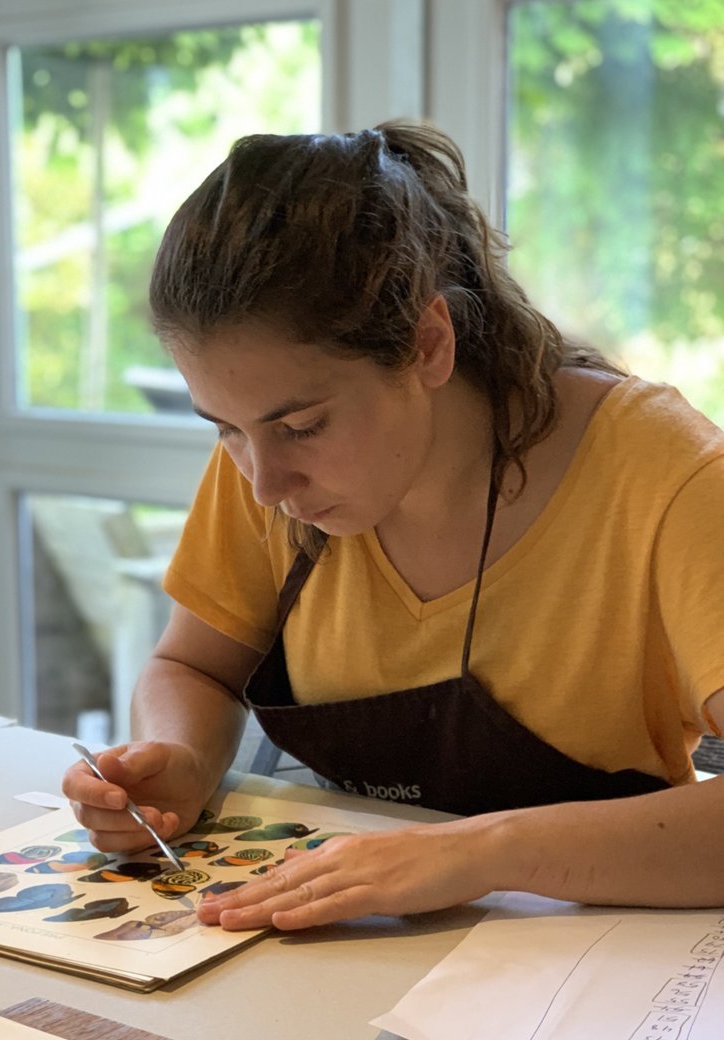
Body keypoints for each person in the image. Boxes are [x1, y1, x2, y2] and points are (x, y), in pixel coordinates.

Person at [60, 119, 724, 936]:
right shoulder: (269, 460)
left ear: (429, 345)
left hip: (584, 985)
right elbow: (192, 666)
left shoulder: (664, 473)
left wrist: (484, 851)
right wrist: (183, 759)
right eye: (222, 428)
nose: (264, 485)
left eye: (302, 426)